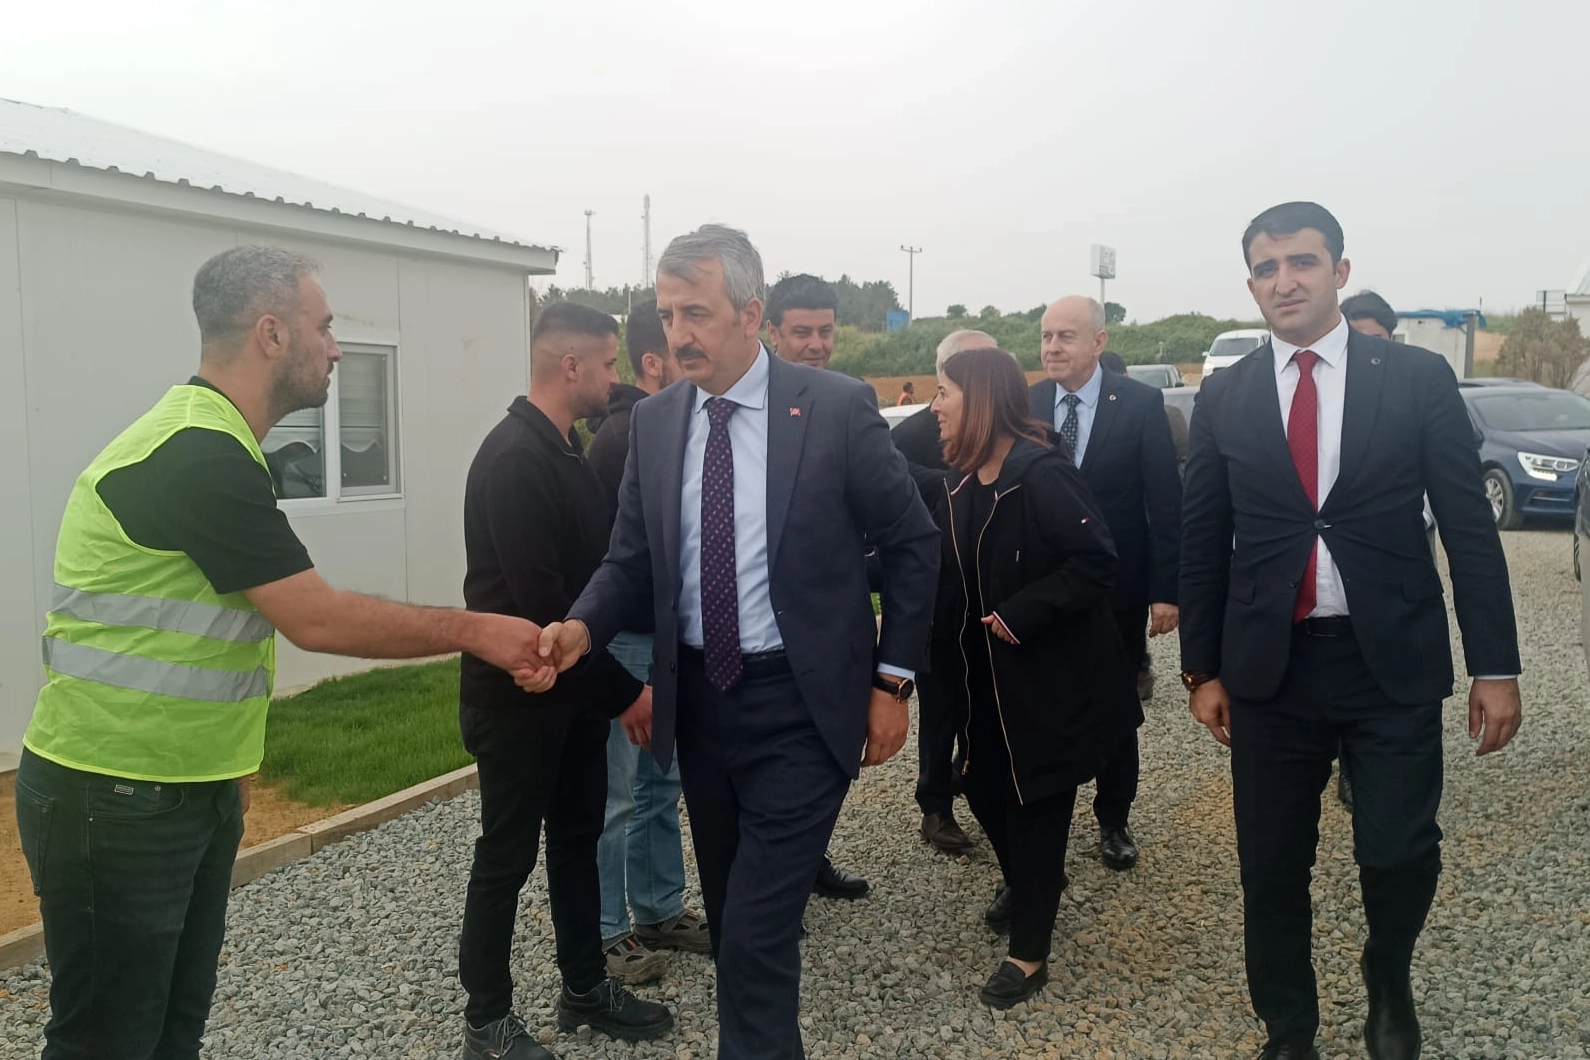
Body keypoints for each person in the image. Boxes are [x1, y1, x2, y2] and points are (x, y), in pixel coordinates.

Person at [12, 245, 556, 1060]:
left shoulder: (221, 445)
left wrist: (219, 778)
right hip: (113, 798)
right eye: (324, 326)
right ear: (271, 334)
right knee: (106, 1041)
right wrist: (480, 630)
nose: (335, 348)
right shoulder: (197, 454)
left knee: (170, 1033)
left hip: (181, 789)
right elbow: (316, 619)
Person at [538, 224, 939, 1060]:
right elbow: (628, 560)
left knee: (755, 935)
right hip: (704, 709)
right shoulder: (656, 424)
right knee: (733, 926)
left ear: (750, 314)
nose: (677, 333)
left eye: (697, 312)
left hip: (802, 707)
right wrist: (581, 626)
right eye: (666, 314)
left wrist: (893, 681)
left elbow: (912, 541)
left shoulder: (833, 408)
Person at [1180, 202, 1523, 1060]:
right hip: (1272, 669)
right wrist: (1200, 670)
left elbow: (1468, 528)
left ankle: (1388, 973)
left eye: (1302, 261)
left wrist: (1496, 666)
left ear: (1338, 270)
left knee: (1399, 853)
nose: (1285, 280)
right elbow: (1202, 540)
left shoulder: (1413, 378)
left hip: (1390, 662)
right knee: (1270, 864)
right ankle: (1289, 1026)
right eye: (1267, 268)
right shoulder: (1225, 394)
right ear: (1252, 285)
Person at [457, 302, 674, 1059]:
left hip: (572, 700)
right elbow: (544, 606)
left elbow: (592, 586)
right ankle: (486, 1020)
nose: (616, 377)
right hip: (517, 702)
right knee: (506, 858)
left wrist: (603, 694)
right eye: (609, 363)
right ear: (570, 364)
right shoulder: (516, 459)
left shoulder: (567, 449)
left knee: (576, 841)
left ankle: (584, 987)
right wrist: (629, 693)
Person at [921, 346, 1135, 1008]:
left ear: (981, 400)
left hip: (1048, 684)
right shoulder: (963, 483)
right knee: (981, 787)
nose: (934, 406)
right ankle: (1031, 881)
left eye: (944, 393)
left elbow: (1097, 561)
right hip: (984, 684)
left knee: (1036, 807)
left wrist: (1022, 613)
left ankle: (1029, 954)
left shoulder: (1042, 475)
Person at [1030, 297, 1182, 872]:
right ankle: (1044, 822)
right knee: (1048, 705)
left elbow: (1164, 503)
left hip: (1116, 590)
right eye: (1046, 336)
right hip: (1043, 590)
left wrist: (1166, 590)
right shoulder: (1028, 403)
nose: (1052, 348)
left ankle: (1114, 817)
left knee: (1115, 707)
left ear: (1098, 342)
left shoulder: (1140, 404)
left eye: (1065, 336)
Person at [586, 300, 711, 984]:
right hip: (628, 639)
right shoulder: (624, 435)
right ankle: (606, 932)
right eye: (682, 349)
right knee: (620, 795)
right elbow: (619, 559)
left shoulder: (669, 427)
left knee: (661, 781)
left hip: (663, 638)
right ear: (655, 362)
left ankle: (659, 908)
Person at [764, 271, 872, 901]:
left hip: (827, 628)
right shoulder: (746, 408)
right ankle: (781, 887)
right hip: (760, 638)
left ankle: (807, 860)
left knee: (828, 759)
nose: (816, 344)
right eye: (802, 331)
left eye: (826, 331)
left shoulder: (846, 402)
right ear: (771, 331)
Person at [893, 328, 998, 857]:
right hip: (939, 592)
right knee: (939, 705)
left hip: (997, 594)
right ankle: (935, 805)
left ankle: (986, 787)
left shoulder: (1010, 430)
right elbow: (894, 492)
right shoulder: (912, 435)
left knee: (991, 699)